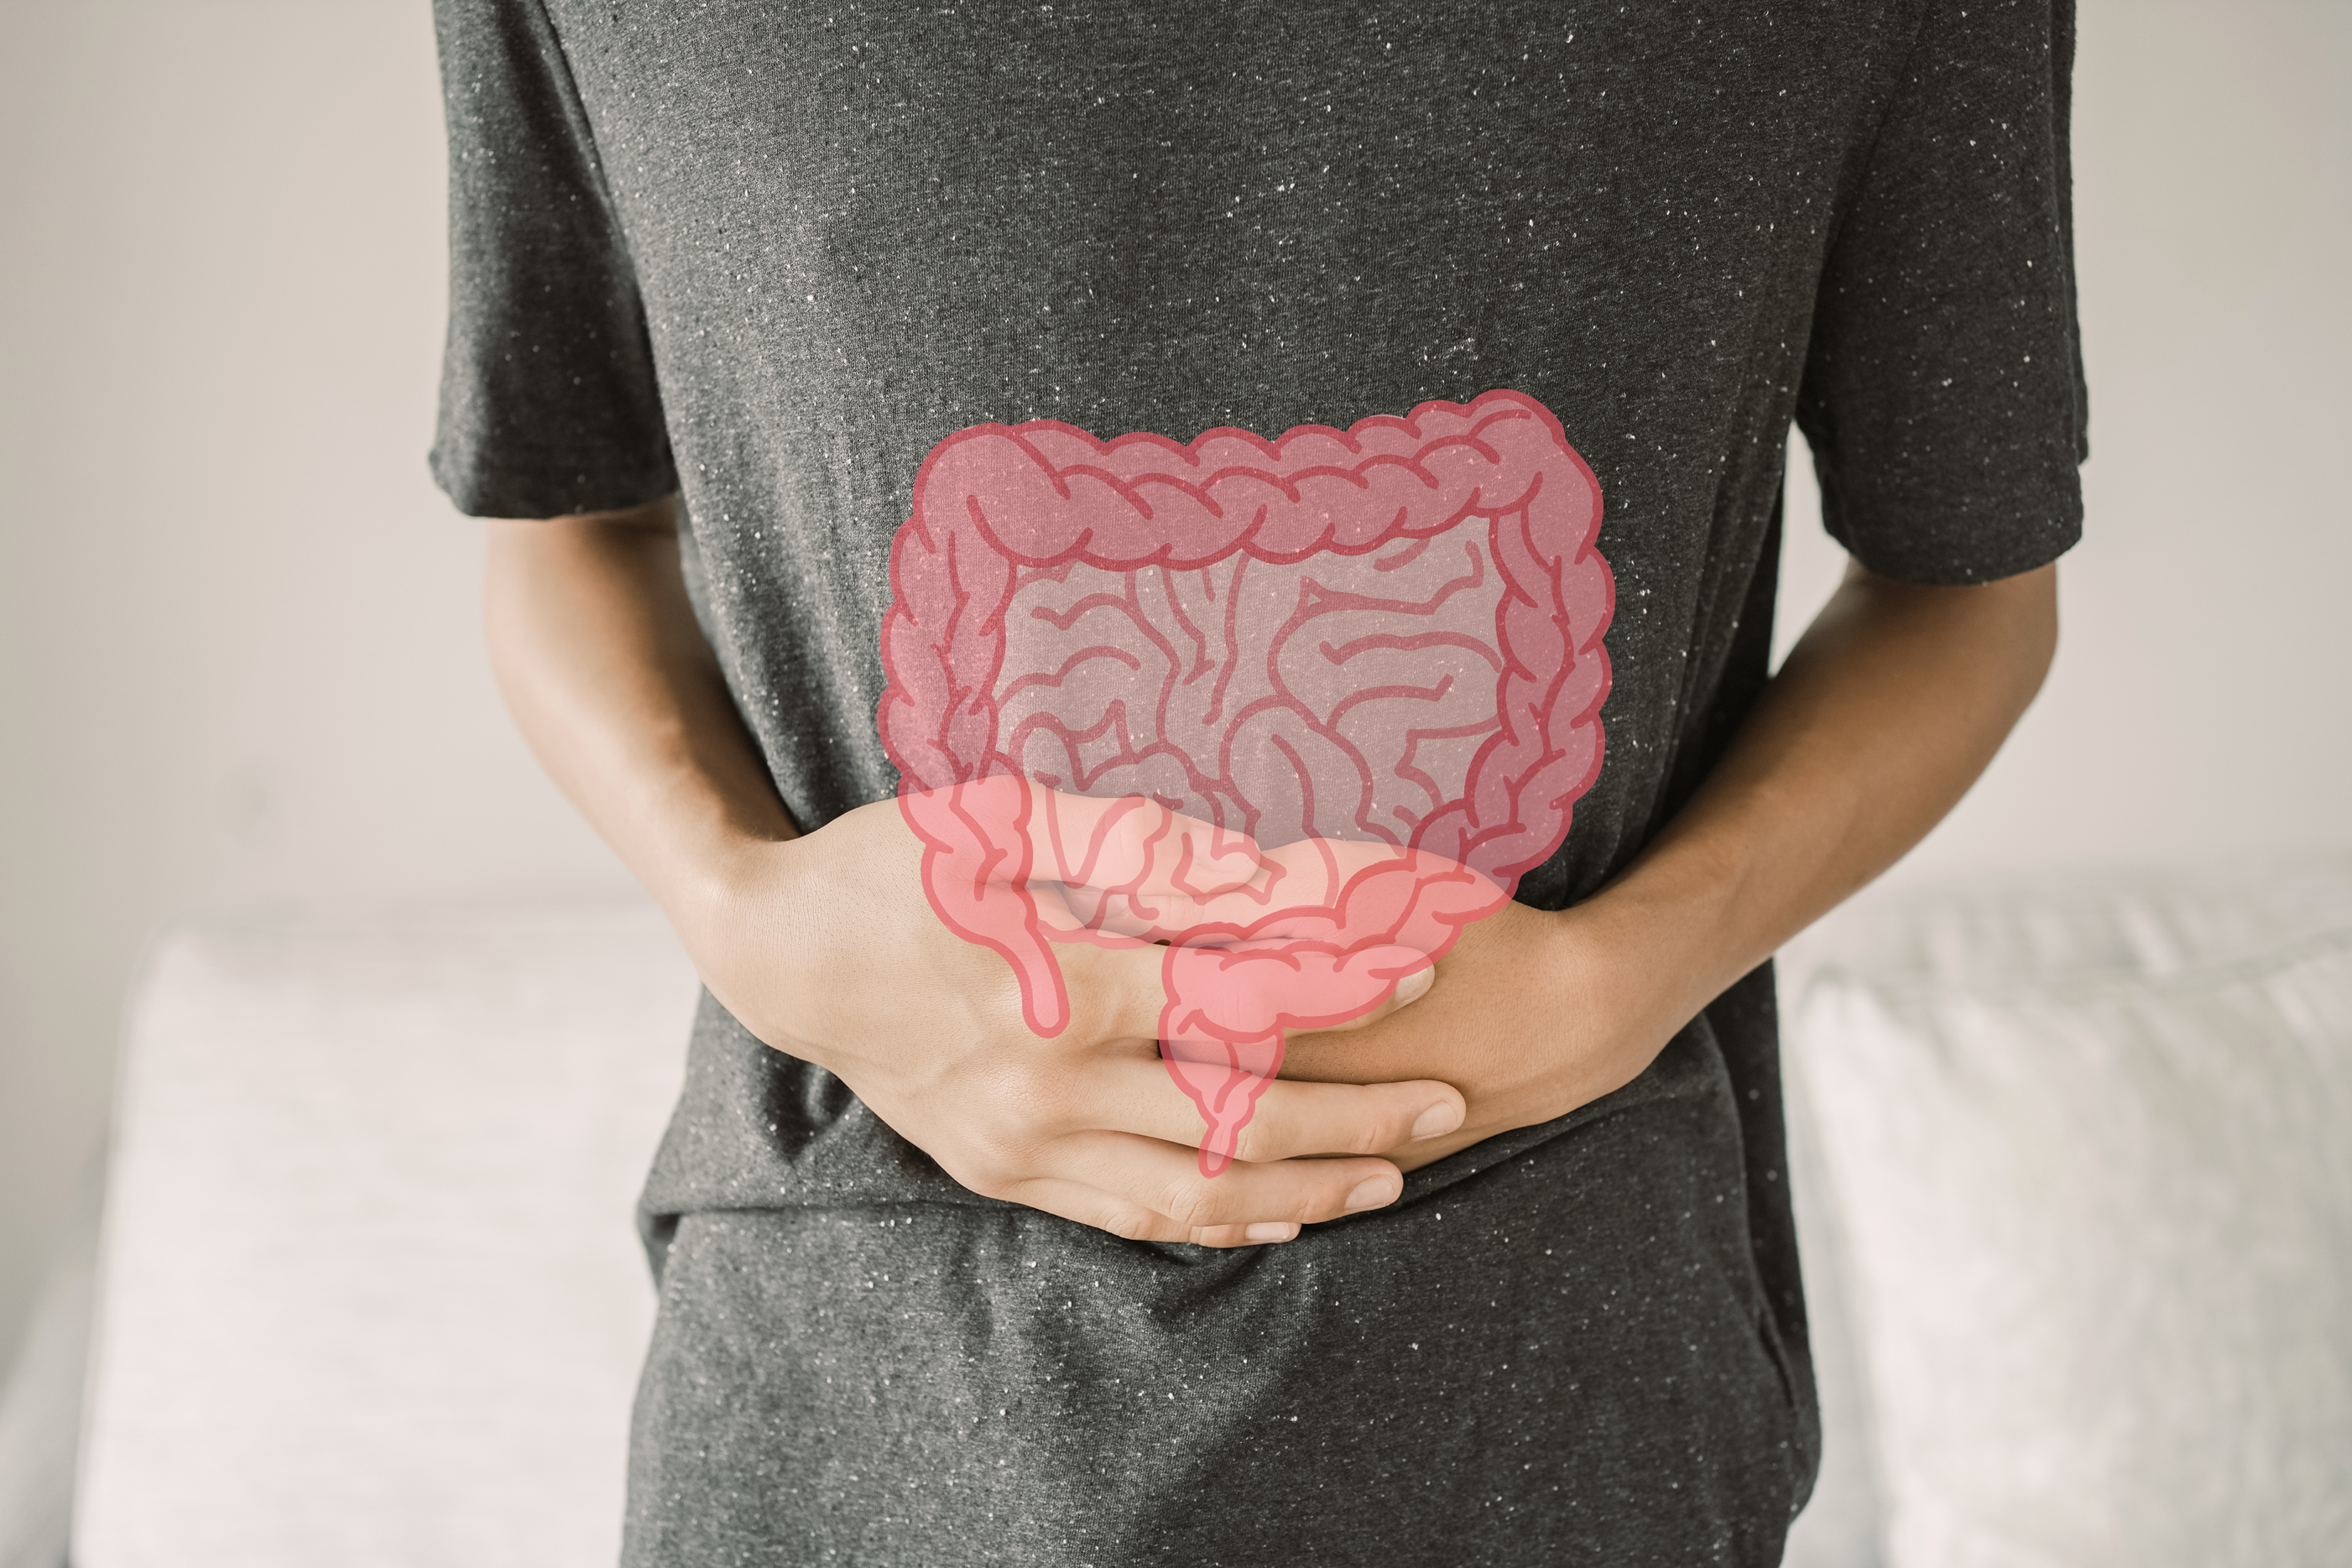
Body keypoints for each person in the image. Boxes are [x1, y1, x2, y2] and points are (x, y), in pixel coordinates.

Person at [428, 1, 2084, 1561]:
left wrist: (1615, 981)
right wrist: (748, 914)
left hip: (1565, 1380)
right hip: (849, 1384)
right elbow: (570, 522)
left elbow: (1964, 590)